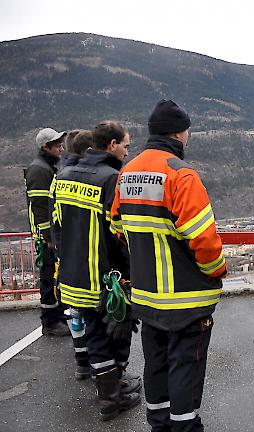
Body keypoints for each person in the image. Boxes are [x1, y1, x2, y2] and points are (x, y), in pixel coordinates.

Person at [111, 99, 227, 432]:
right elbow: (204, 241)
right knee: (184, 368)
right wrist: (215, 271)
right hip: (185, 300)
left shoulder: (128, 172)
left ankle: (159, 424)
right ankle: (186, 427)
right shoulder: (180, 175)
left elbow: (117, 227)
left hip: (147, 299)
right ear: (180, 133)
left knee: (156, 365)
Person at [54, 121, 141, 421]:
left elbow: (57, 226)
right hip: (106, 279)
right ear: (112, 145)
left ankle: (111, 391)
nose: (128, 152)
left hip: (73, 275)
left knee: (94, 333)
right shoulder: (111, 179)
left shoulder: (63, 176)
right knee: (115, 333)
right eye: (127, 146)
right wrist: (130, 275)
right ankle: (112, 397)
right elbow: (120, 234)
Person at [49, 129, 94, 380]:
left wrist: (58, 250)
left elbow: (54, 218)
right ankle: (96, 366)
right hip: (83, 256)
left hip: (65, 256)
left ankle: (81, 361)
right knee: (89, 311)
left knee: (74, 310)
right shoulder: (84, 178)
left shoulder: (59, 177)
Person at [24, 127, 70, 336]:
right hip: (45, 237)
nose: (61, 147)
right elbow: (42, 207)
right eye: (57, 144)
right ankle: (50, 322)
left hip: (50, 235)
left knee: (55, 276)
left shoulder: (47, 166)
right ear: (46, 147)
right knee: (48, 277)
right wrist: (49, 237)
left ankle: (58, 314)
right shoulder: (39, 170)